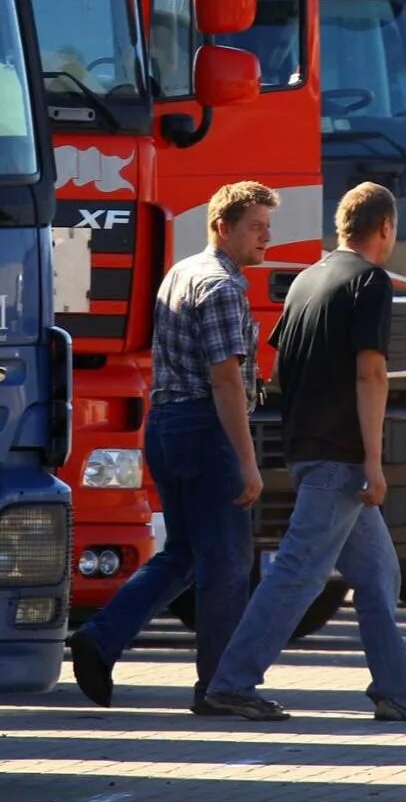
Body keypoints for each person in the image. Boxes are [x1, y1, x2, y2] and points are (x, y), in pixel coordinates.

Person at [202, 182, 406, 723]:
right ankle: (232, 683)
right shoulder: (371, 282)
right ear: (385, 229)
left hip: (308, 448)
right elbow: (371, 372)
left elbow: (283, 370)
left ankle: (396, 693)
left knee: (379, 574)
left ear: (342, 228)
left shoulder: (308, 279)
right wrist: (374, 463)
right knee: (299, 573)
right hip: (342, 458)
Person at [67, 181, 274, 712]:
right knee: (227, 564)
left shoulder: (181, 272)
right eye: (256, 227)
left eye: (267, 227)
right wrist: (248, 463)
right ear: (223, 227)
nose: (266, 238)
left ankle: (100, 637)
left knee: (182, 554)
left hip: (165, 425)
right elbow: (226, 379)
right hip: (208, 429)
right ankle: (222, 688)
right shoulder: (223, 287)